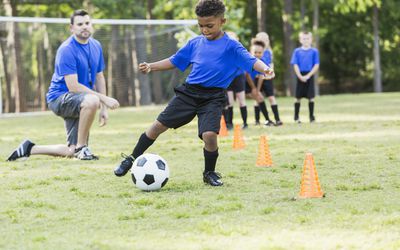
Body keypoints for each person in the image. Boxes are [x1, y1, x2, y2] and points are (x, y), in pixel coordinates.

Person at [113, 0, 274, 186]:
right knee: (157, 127)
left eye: (209, 26)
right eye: (200, 25)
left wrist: (266, 69)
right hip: (189, 94)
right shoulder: (195, 43)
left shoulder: (232, 46)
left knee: (210, 136)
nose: (204, 30)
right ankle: (131, 159)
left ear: (223, 21)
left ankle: (209, 173)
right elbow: (175, 60)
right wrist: (151, 66)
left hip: (213, 97)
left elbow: (252, 61)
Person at [7, 9, 119, 161]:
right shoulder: (66, 49)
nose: (84, 26)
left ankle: (28, 148)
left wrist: (104, 109)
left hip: (80, 100)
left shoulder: (96, 46)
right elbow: (73, 87)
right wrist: (104, 99)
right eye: (80, 24)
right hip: (59, 98)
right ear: (71, 28)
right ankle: (82, 148)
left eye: (87, 23)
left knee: (70, 151)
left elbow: (99, 76)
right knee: (93, 100)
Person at [252, 33, 283, 126]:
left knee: (271, 97)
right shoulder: (254, 51)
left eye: (266, 39)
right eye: (262, 39)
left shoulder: (269, 52)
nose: (264, 40)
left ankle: (277, 119)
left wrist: (271, 73)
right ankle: (257, 120)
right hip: (257, 78)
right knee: (257, 98)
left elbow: (270, 65)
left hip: (267, 78)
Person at [290, 31, 320, 123]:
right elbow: (295, 64)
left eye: (307, 38)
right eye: (304, 38)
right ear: (300, 40)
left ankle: (311, 117)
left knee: (311, 97)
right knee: (297, 97)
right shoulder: (297, 51)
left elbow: (316, 65)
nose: (306, 40)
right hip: (300, 75)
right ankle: (296, 117)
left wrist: (308, 75)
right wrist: (300, 76)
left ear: (311, 40)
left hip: (310, 75)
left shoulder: (314, 51)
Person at [245, 40, 275, 126]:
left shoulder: (263, 61)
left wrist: (257, 90)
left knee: (260, 98)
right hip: (246, 81)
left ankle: (267, 120)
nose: (257, 54)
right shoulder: (248, 61)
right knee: (257, 98)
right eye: (255, 52)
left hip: (254, 82)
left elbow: (262, 77)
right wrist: (254, 88)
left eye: (259, 52)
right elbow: (247, 75)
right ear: (251, 51)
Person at [224, 31, 248, 130]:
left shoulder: (240, 50)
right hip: (228, 78)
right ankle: (229, 123)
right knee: (229, 102)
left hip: (239, 77)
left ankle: (245, 123)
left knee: (241, 101)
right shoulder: (224, 51)